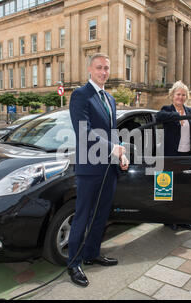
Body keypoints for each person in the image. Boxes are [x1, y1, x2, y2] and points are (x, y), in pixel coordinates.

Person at [68, 53, 129, 287]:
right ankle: (73, 263)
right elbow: (84, 132)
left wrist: (120, 154)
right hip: (89, 169)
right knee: (82, 216)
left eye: (106, 68)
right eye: (99, 68)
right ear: (90, 70)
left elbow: (112, 133)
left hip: (108, 169)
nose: (103, 72)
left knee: (101, 215)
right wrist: (111, 148)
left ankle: (92, 254)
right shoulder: (81, 95)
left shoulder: (110, 99)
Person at [156, 81, 191, 232]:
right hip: (170, 155)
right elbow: (159, 117)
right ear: (172, 96)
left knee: (183, 189)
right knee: (168, 188)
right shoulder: (167, 109)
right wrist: (176, 115)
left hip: (186, 154)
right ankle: (169, 219)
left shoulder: (190, 111)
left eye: (183, 94)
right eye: (178, 94)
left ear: (187, 96)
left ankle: (183, 219)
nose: (180, 97)